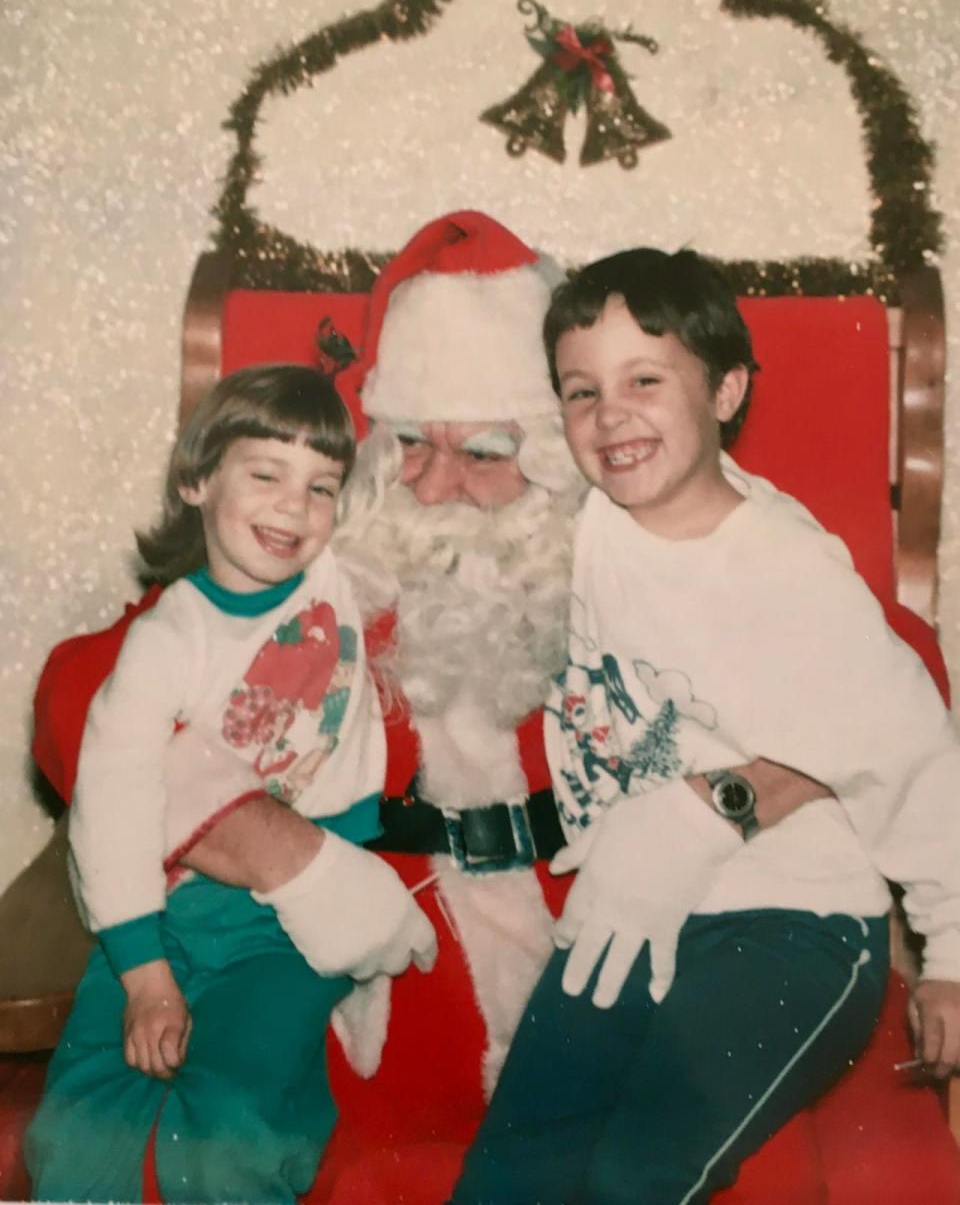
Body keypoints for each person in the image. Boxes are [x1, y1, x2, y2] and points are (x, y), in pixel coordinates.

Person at [29, 213, 892, 1204]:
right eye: (407, 445)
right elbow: (79, 689)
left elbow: (893, 680)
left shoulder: (657, 542)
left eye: (484, 451)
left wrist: (726, 802)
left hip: (627, 991)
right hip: (379, 1018)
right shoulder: (321, 554)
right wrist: (275, 848)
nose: (434, 488)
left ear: (560, 455)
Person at [451, 247, 960, 1205]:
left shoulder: (787, 570)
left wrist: (953, 957)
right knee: (510, 1174)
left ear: (726, 390)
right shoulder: (594, 520)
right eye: (581, 390)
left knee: (637, 1172)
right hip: (630, 905)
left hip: (794, 927)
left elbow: (914, 748)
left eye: (646, 379)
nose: (610, 414)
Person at [25, 364, 436, 1205]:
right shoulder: (167, 638)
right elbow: (113, 800)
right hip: (165, 912)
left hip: (285, 932)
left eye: (322, 486)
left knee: (230, 1133)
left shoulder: (341, 580)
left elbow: (425, 520)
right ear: (196, 479)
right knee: (74, 1135)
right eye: (265, 474)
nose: (295, 507)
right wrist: (144, 977)